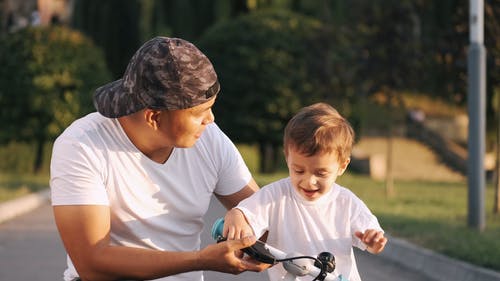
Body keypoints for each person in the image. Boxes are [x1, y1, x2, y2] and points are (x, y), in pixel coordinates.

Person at [50, 36, 266, 281]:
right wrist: (201, 260)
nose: (211, 120)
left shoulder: (209, 138)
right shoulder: (82, 145)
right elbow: (92, 263)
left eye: (211, 107)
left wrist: (247, 216)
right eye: (199, 112)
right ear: (153, 117)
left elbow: (264, 213)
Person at [223, 103, 387, 281]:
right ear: (287, 158)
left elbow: (372, 240)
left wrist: (373, 242)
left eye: (321, 173)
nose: (309, 181)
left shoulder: (346, 202)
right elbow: (247, 213)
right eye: (299, 171)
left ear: (342, 166)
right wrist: (237, 215)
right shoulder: (274, 196)